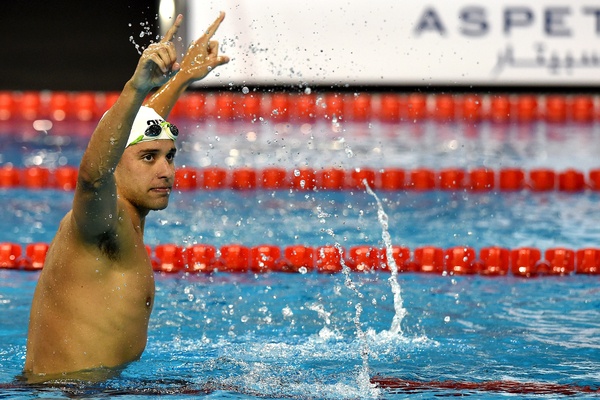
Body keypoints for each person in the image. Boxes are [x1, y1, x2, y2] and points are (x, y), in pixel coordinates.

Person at [23, 12, 229, 383]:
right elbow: (93, 176)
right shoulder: (105, 222)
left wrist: (181, 77)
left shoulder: (126, 218)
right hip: (69, 394)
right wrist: (135, 88)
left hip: (91, 388)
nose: (165, 170)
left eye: (170, 156)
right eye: (150, 159)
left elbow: (137, 136)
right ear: (118, 161)